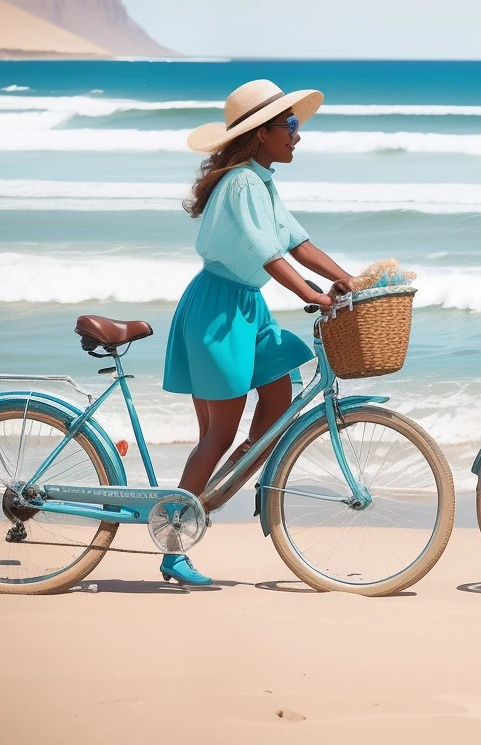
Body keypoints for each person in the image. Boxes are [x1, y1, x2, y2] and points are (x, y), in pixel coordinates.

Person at [158, 78, 354, 586]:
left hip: (249, 306)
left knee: (279, 393)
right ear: (260, 133)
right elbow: (268, 253)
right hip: (218, 310)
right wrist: (309, 294)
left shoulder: (261, 179)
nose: (298, 135)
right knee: (217, 433)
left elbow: (296, 241)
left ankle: (236, 474)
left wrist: (344, 278)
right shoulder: (242, 183)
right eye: (289, 125)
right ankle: (173, 543)